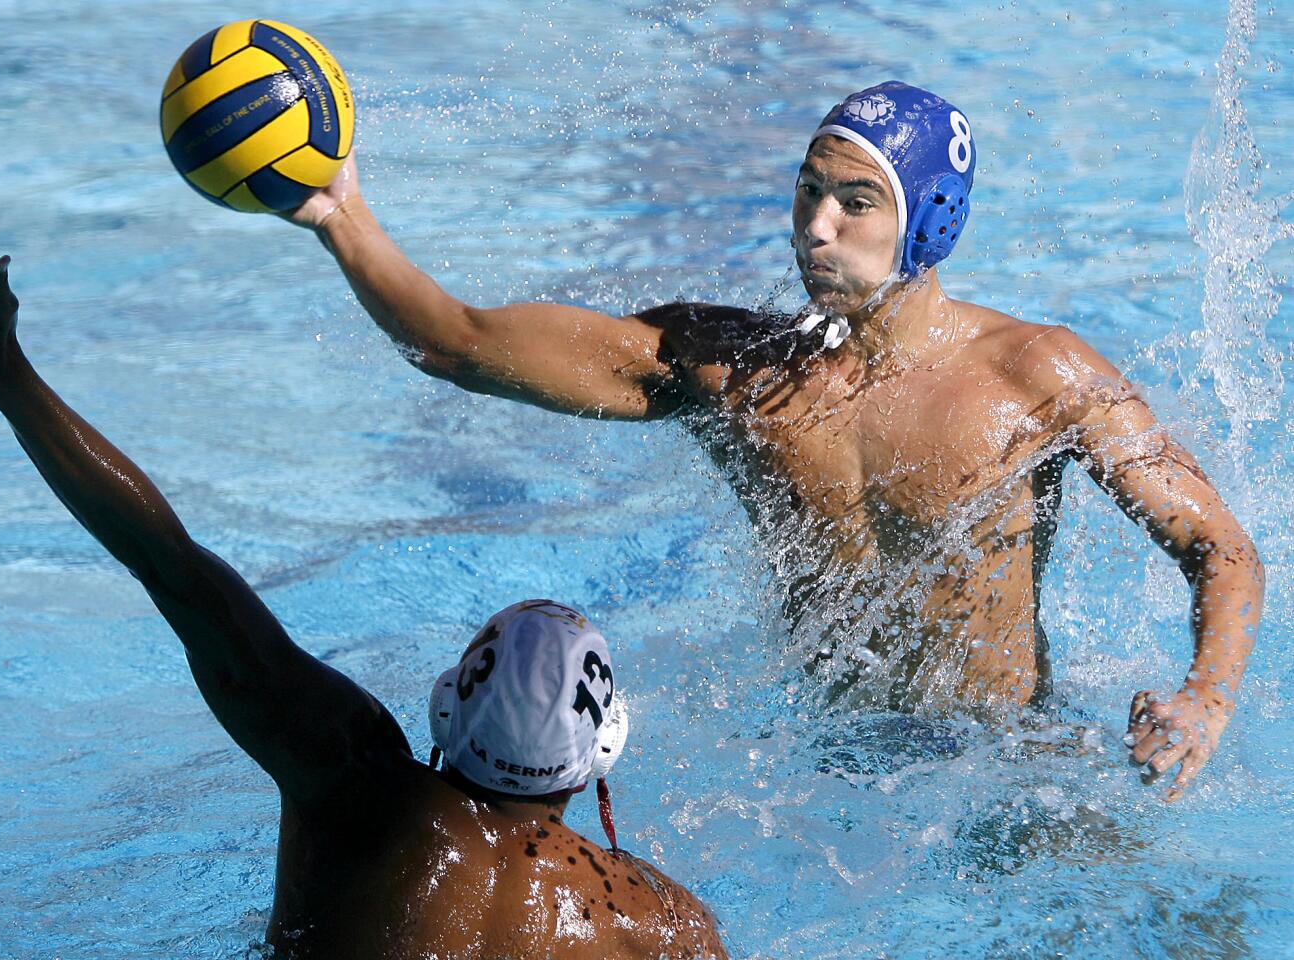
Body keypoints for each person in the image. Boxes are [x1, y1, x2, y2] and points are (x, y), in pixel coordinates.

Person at [279, 80, 1263, 800]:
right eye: (806, 192)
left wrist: (1204, 700)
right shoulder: (728, 368)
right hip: (817, 767)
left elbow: (1216, 548)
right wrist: (341, 218)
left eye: (853, 201)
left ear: (928, 219)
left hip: (999, 762)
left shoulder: (1036, 375)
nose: (814, 228)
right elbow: (460, 344)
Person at [0, 257, 727, 960]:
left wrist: (1, 370)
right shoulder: (662, 926)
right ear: (604, 748)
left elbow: (170, 563)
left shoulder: (349, 779)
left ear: (448, 708)